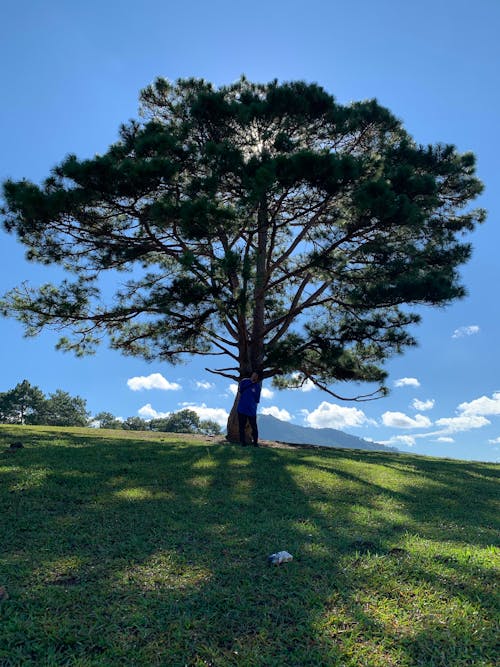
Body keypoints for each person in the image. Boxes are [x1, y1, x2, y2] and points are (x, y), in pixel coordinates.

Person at [237, 371, 261, 446]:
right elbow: (240, 390)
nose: (255, 377)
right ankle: (242, 442)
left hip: (251, 410)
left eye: (256, 376)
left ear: (257, 378)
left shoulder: (257, 387)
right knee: (241, 426)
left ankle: (255, 443)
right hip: (242, 409)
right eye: (254, 375)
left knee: (254, 427)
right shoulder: (244, 381)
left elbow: (257, 399)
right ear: (252, 375)